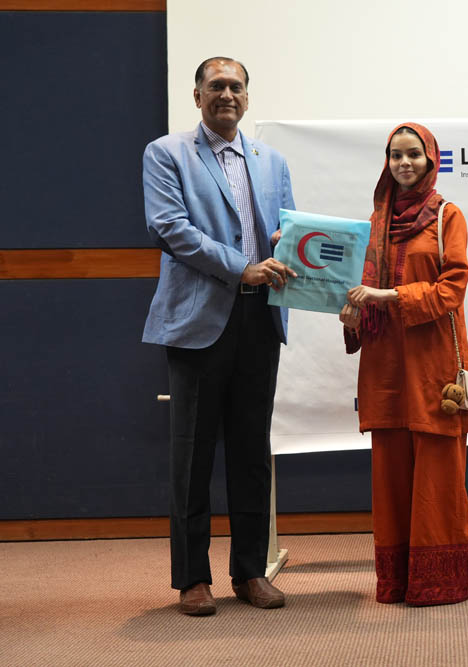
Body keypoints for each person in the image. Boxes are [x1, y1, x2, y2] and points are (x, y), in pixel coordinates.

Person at [141, 57, 296, 616]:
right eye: (216, 86)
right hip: (198, 321)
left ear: (247, 97)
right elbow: (169, 229)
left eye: (235, 86)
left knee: (252, 451)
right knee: (193, 453)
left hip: (261, 319)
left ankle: (250, 571)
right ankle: (192, 579)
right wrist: (242, 268)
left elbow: (289, 231)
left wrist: (299, 249)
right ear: (197, 96)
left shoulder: (272, 160)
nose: (226, 94)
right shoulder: (167, 153)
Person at [340, 123, 468, 606]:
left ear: (430, 159)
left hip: (434, 365)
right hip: (385, 369)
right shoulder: (373, 225)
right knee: (391, 476)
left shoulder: (447, 216)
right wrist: (353, 312)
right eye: (396, 155)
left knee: (438, 479)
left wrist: (389, 295)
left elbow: (451, 289)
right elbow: (358, 292)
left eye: (413, 154)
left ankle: (439, 583)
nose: (404, 163)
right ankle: (396, 582)